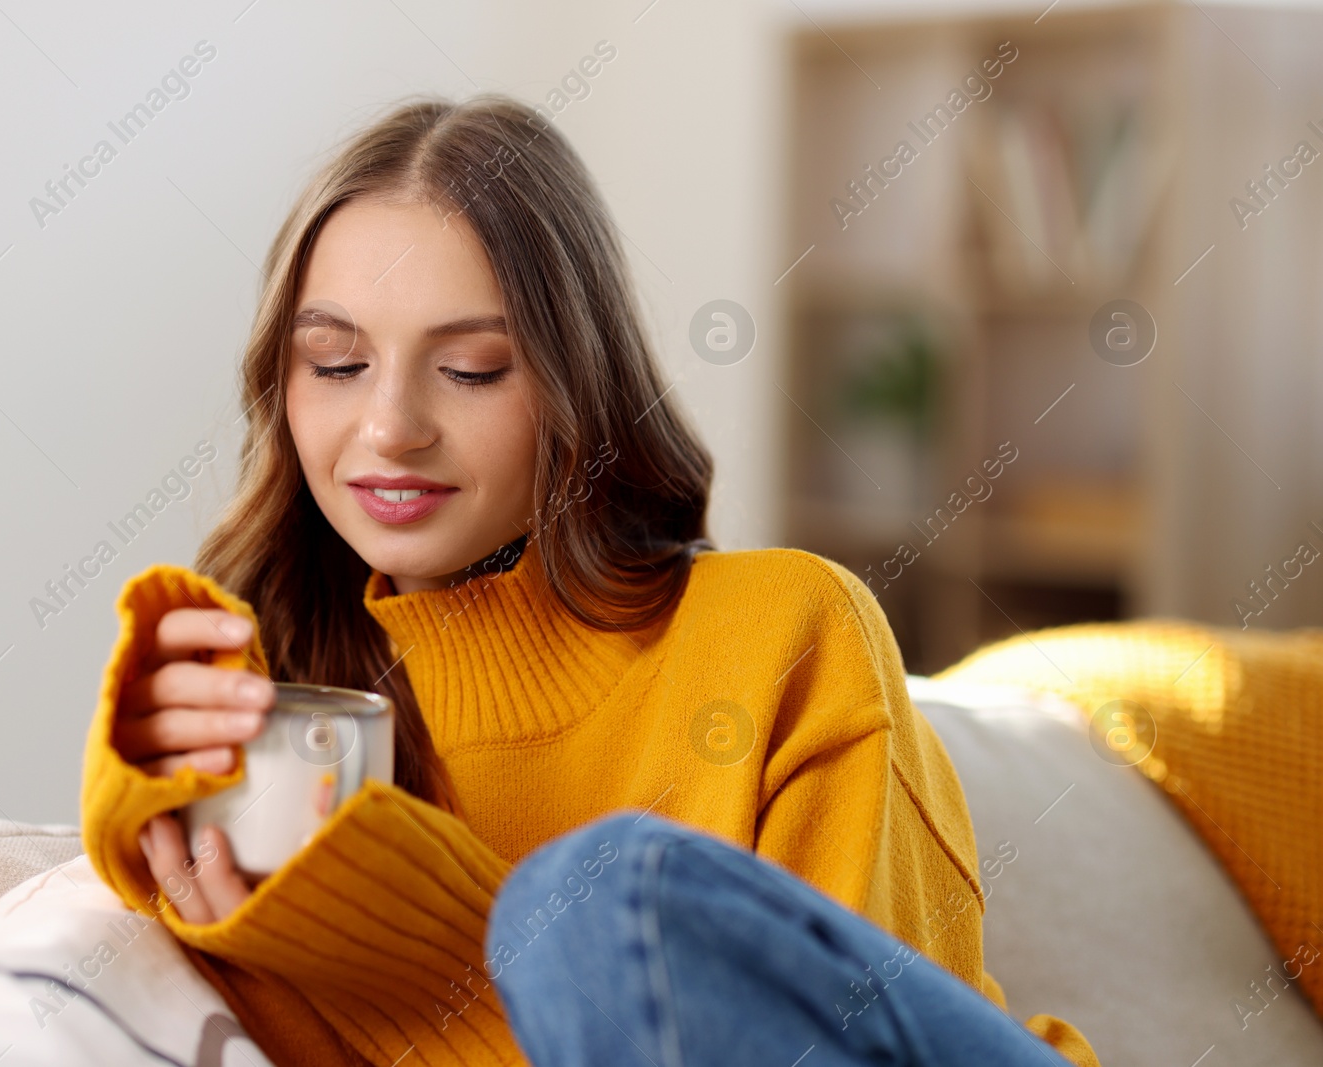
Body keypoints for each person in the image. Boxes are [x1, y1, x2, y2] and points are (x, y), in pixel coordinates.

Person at [80, 93, 1100, 1067]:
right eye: (336, 364)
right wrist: (145, 789)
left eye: (472, 367)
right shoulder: (298, 762)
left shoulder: (782, 627)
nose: (388, 426)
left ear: (577, 387)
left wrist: (405, 943)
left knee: (599, 893)